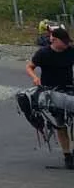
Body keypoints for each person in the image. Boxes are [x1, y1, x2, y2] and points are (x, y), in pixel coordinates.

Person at [26, 25, 74, 169]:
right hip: (51, 92)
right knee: (60, 124)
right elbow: (29, 66)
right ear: (54, 40)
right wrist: (35, 78)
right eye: (64, 42)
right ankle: (67, 156)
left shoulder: (71, 51)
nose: (66, 44)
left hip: (70, 88)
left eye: (68, 42)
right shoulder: (43, 53)